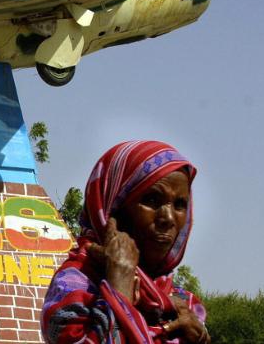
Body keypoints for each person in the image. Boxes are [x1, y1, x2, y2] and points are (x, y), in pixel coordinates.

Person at [41, 141, 209, 344]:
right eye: (152, 200)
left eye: (180, 205)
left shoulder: (183, 305)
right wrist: (119, 286)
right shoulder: (74, 288)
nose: (168, 218)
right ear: (113, 207)